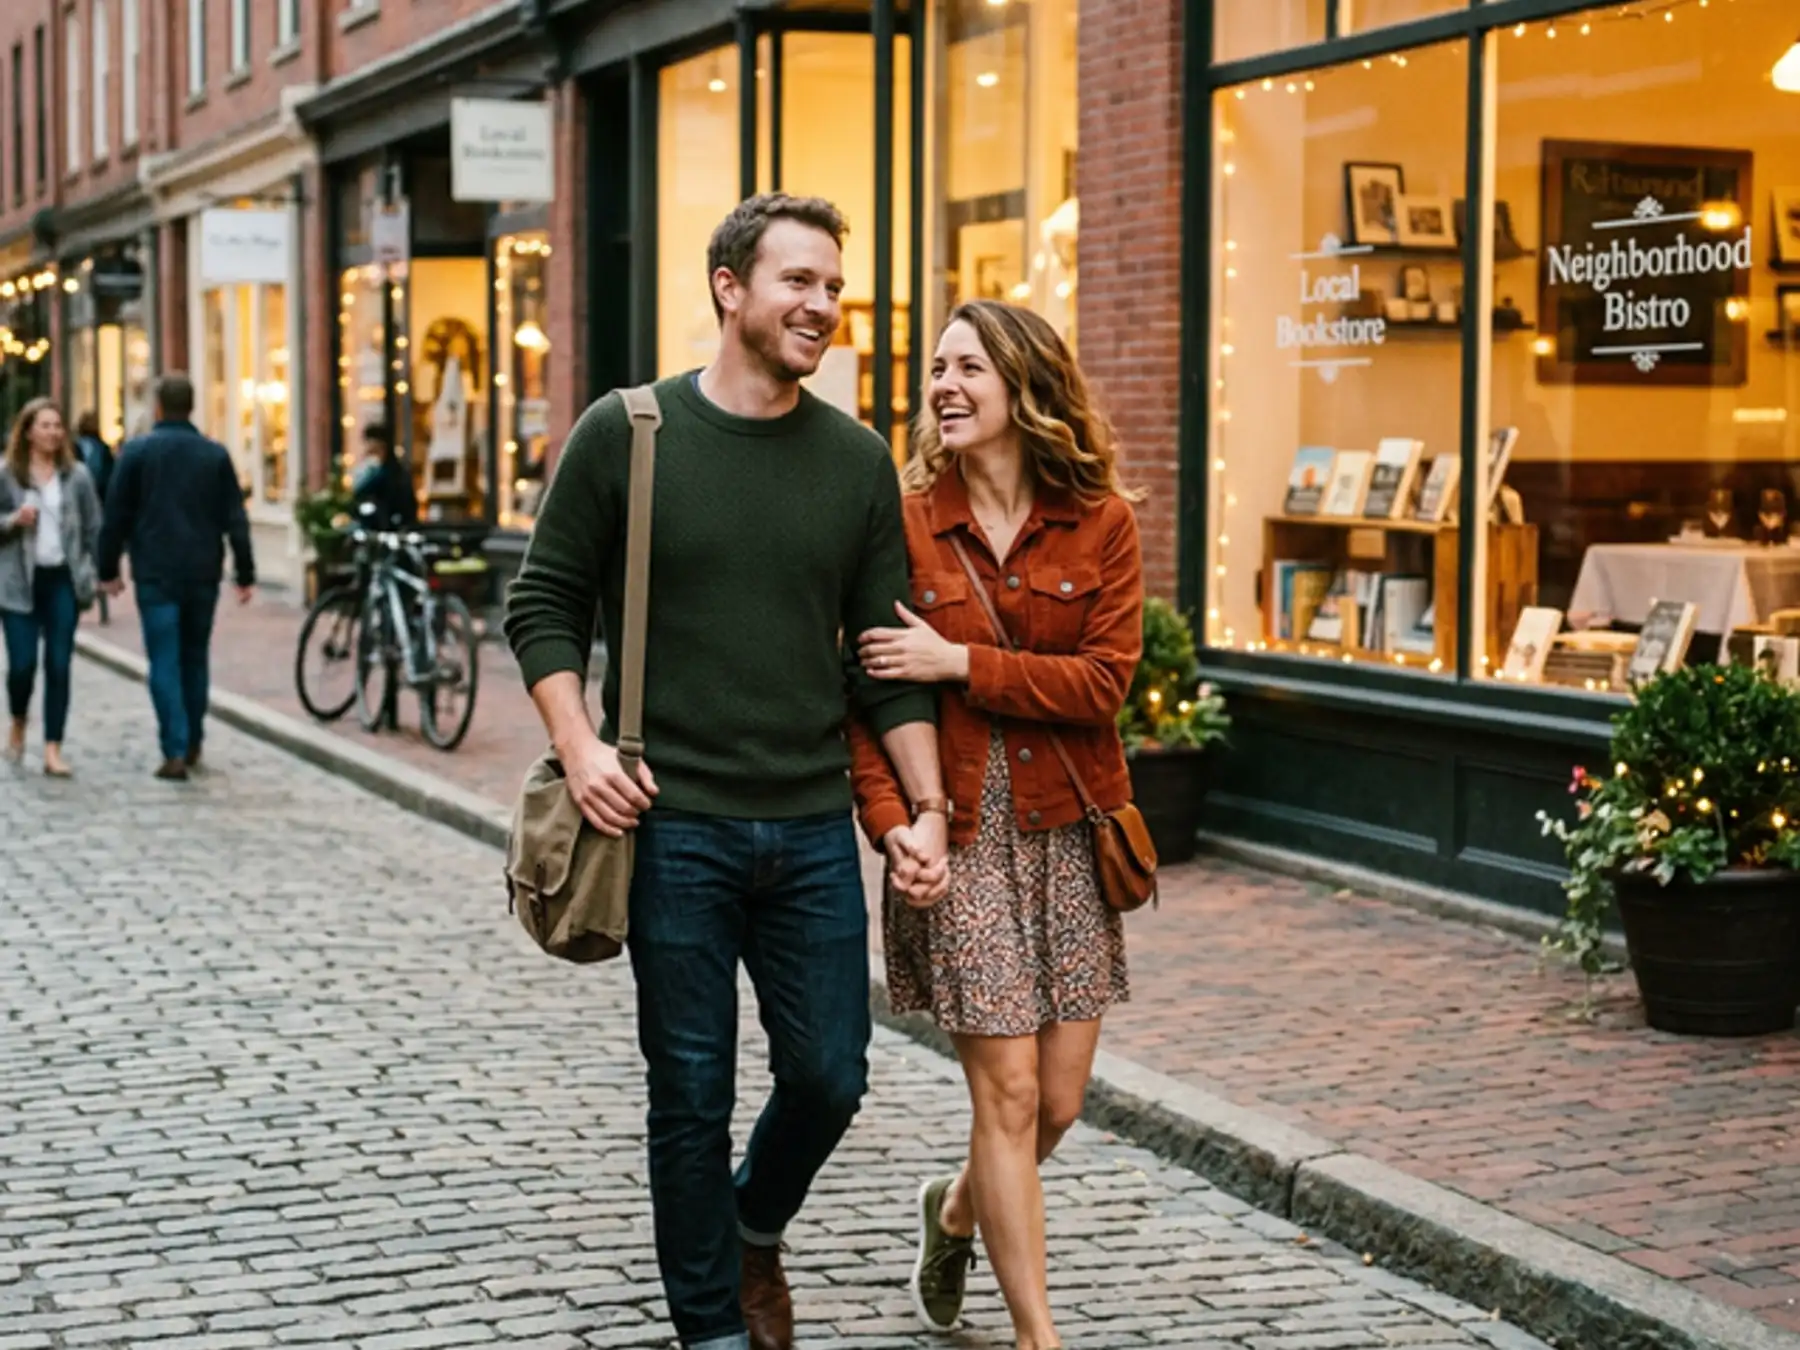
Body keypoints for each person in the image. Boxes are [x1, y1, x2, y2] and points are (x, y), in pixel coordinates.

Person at [504, 192, 949, 1350]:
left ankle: (756, 1223)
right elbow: (542, 604)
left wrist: (924, 811)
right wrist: (581, 744)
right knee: (690, 1094)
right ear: (730, 288)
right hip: (675, 824)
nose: (823, 307)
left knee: (831, 1077)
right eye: (800, 282)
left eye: (833, 289)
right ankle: (710, 1326)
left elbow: (884, 660)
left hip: (808, 826)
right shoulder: (630, 432)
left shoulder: (855, 461)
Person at [846, 300, 1145, 1350]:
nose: (945, 386)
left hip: (1068, 832)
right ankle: (1037, 1338)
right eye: (937, 369)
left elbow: (1104, 684)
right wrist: (893, 828)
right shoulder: (904, 519)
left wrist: (960, 663)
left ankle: (957, 1208)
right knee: (1008, 1091)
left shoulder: (1099, 521)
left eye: (970, 367)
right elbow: (864, 699)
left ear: (1026, 385)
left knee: (1057, 1104)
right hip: (958, 833)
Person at [97, 373, 255, 781]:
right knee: (194, 656)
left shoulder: (137, 452)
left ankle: (175, 747)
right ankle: (193, 739)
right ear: (193, 406)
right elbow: (234, 516)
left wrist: (108, 569)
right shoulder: (214, 455)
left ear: (158, 407)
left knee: (164, 659)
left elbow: (115, 515)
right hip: (202, 570)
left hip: (156, 571)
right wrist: (245, 570)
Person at [0, 398, 102, 778]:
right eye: (45, 425)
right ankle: (18, 719)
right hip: (17, 584)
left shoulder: (76, 476)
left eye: (58, 426)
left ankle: (53, 748)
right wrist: (13, 519)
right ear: (27, 431)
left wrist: (102, 572)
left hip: (62, 579)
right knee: (22, 666)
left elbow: (94, 526)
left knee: (58, 664)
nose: (53, 432)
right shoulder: (8, 474)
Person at [74, 412, 114, 624]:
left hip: (78, 507)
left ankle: (80, 597)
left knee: (79, 551)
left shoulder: (75, 446)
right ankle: (102, 604)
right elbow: (111, 478)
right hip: (98, 505)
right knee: (96, 552)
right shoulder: (103, 448)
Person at [349, 421, 417, 527]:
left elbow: (360, 491)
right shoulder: (373, 470)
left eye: (372, 450)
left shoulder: (388, 472)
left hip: (388, 525)